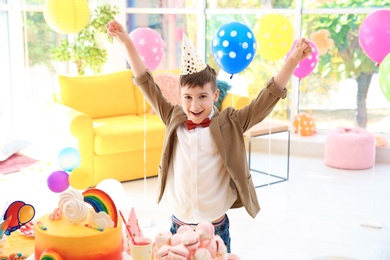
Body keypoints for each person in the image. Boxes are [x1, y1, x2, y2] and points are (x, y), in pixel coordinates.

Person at [106, 20, 313, 253]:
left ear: (215, 95)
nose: (195, 105)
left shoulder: (230, 122)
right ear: (180, 96)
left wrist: (293, 60)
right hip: (179, 225)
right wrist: (126, 43)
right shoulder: (172, 116)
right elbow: (145, 81)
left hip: (215, 227)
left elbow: (266, 98)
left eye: (202, 96)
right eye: (188, 97)